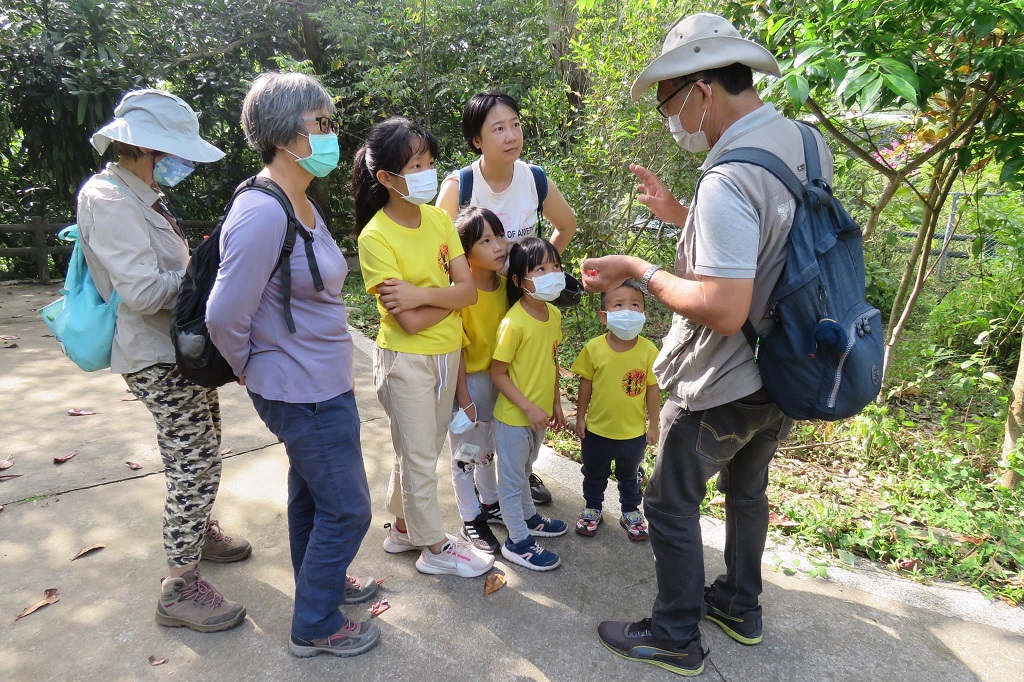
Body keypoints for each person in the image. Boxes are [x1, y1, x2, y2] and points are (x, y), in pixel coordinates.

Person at [585, 13, 830, 676]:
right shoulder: (803, 144)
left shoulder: (726, 179)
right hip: (789, 364)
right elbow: (776, 247)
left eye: (670, 99)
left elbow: (724, 308)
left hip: (726, 381)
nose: (671, 116)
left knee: (668, 500)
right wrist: (682, 219)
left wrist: (639, 268)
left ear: (701, 87)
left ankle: (673, 634)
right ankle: (741, 604)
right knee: (748, 491)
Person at [206, 72, 379, 658]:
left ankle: (320, 586)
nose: (333, 133)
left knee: (315, 497)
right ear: (286, 137)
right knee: (349, 509)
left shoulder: (299, 199)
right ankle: (315, 624)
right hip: (298, 388)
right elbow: (224, 313)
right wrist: (249, 366)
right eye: (321, 124)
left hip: (324, 380)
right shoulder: (263, 212)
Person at [80, 89, 249, 632]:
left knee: (203, 450)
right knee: (193, 464)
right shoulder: (106, 198)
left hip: (179, 351)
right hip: (151, 355)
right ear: (145, 150)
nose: (181, 165)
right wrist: (213, 277)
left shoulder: (142, 192)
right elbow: (144, 292)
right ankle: (179, 584)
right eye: (173, 153)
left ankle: (197, 532)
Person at [354, 116, 495, 579]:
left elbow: (469, 290)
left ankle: (400, 527)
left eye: (429, 162)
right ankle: (434, 545)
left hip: (447, 357)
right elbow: (410, 323)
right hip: (406, 361)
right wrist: (443, 301)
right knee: (417, 455)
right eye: (416, 164)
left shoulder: (438, 219)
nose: (427, 172)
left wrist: (422, 294)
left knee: (422, 448)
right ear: (386, 177)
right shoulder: (375, 237)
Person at [437, 89, 579, 505]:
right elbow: (438, 250)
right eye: (498, 128)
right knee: (480, 396)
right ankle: (479, 492)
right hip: (475, 306)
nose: (511, 134)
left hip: (519, 306)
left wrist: (535, 273)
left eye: (515, 123)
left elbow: (565, 226)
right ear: (477, 140)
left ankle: (518, 471)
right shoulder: (460, 185)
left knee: (523, 389)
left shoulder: (534, 178)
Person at [490, 237, 569, 571]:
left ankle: (528, 517)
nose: (551, 274)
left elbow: (551, 363)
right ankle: (517, 541)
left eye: (555, 266)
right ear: (519, 281)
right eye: (540, 269)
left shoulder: (552, 314)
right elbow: (498, 374)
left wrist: (556, 404)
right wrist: (528, 407)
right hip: (513, 418)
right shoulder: (513, 323)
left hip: (537, 416)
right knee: (510, 480)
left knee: (525, 471)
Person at [570, 280, 659, 541]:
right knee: (594, 473)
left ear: (644, 314)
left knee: (630, 475)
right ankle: (592, 508)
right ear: (604, 316)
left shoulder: (648, 350)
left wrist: (653, 425)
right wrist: (580, 417)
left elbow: (653, 390)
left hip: (632, 434)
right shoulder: (594, 348)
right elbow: (585, 384)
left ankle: (631, 511)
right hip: (597, 430)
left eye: (635, 305)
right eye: (618, 305)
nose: (628, 311)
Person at [447, 207, 509, 553]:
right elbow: (455, 347)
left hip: (499, 382)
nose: (498, 245)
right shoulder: (461, 293)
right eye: (485, 240)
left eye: (499, 235)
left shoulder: (507, 286)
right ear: (465, 252)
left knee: (488, 450)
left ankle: (489, 501)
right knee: (465, 453)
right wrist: (464, 397)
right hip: (469, 382)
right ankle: (470, 516)